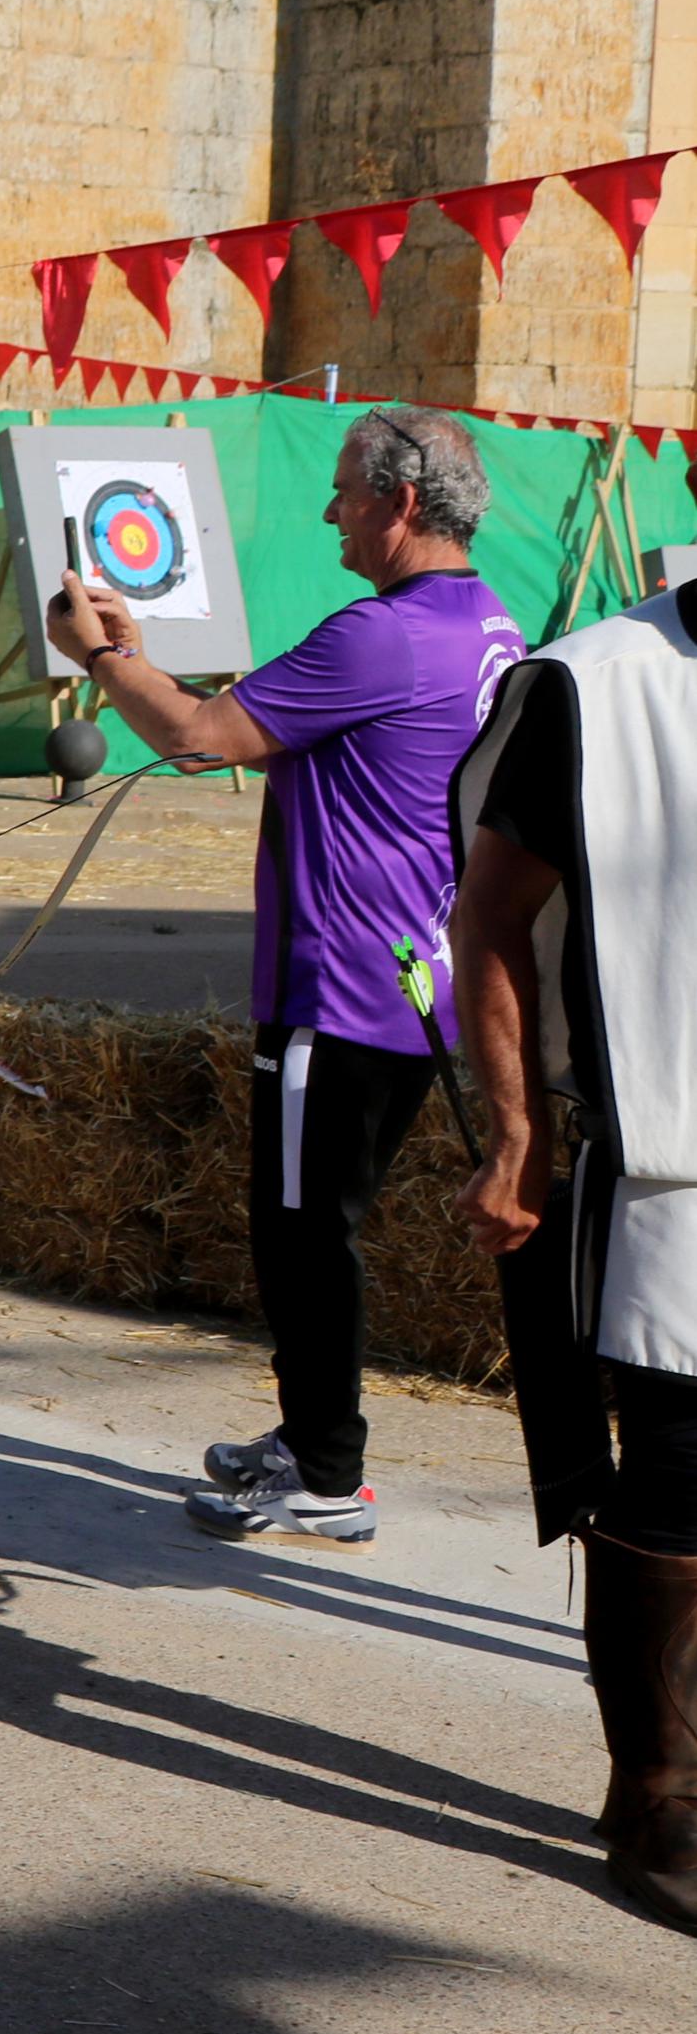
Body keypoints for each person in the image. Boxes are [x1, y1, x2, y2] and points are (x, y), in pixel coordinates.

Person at [66, 407, 520, 1551]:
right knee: (321, 1219)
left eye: (342, 491)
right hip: (409, 974)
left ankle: (325, 1468)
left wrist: (102, 658)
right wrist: (137, 659)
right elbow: (252, 723)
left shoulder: (379, 633)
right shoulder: (485, 620)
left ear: (397, 503)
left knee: (300, 1232)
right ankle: (310, 1432)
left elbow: (198, 738)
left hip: (342, 982)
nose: (329, 511)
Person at [452, 573, 697, 1934]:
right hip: (675, 1166)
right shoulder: (594, 685)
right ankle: (657, 1788)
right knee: (675, 1476)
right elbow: (488, 915)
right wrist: (512, 1132)